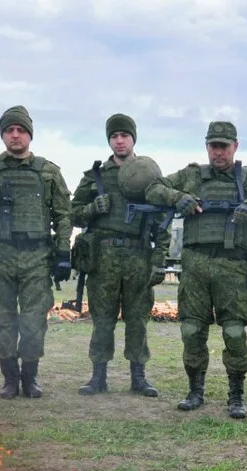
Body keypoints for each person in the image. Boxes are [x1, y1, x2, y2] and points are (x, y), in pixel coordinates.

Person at [143, 121, 247, 418]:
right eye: (213, 146)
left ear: (235, 146)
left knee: (234, 331)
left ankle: (237, 395)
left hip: (232, 265)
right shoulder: (191, 176)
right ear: (207, 147)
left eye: (224, 146)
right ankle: (195, 391)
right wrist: (178, 198)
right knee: (192, 329)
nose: (218, 152)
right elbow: (153, 189)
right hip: (195, 264)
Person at [0, 105, 72, 399]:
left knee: (34, 320)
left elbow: (63, 215)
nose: (15, 135)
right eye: (9, 130)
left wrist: (63, 253)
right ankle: (9, 378)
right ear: (3, 135)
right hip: (0, 254)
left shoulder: (48, 172)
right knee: (2, 319)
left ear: (30, 135)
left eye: (20, 130)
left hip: (37, 255)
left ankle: (29, 377)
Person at [70, 114, 169, 397]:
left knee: (138, 319)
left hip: (138, 254)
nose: (119, 140)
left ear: (133, 138)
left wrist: (159, 260)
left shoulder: (149, 176)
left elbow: (162, 221)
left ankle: (138, 377)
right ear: (109, 140)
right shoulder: (95, 176)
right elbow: (73, 212)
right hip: (103, 257)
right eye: (114, 136)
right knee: (103, 319)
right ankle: (98, 376)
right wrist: (92, 209)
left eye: (124, 135)